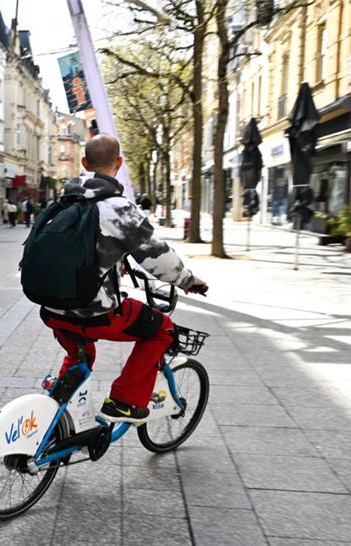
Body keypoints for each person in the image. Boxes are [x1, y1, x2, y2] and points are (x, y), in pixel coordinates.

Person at [40, 134, 207, 424]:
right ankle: (125, 402)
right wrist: (188, 280)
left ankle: (56, 411)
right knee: (162, 329)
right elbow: (157, 256)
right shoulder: (118, 208)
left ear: (84, 163)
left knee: (80, 354)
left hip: (51, 309)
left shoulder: (64, 202)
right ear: (119, 163)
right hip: (95, 312)